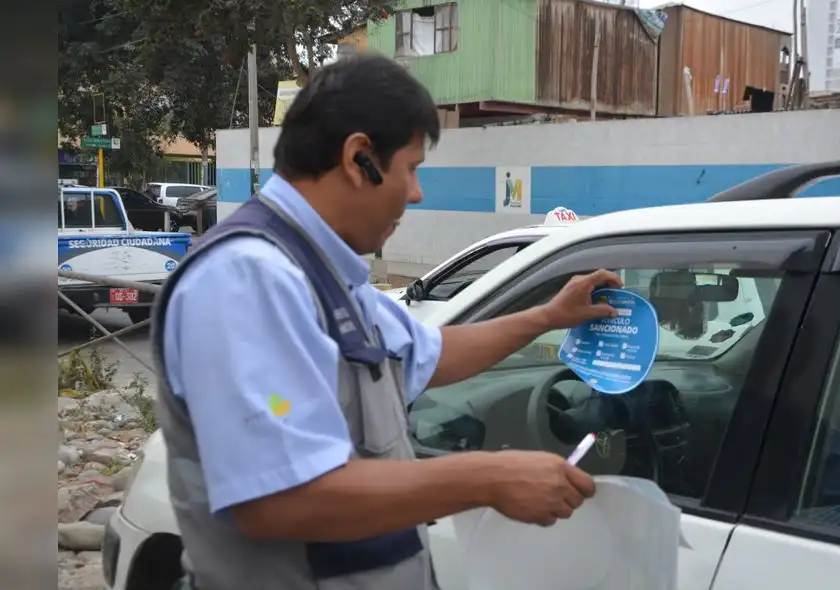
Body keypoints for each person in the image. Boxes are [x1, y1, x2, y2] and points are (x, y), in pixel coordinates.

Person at [151, 52, 623, 590]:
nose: (417, 192)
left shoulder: (321, 272)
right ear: (359, 159)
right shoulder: (248, 279)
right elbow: (277, 500)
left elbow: (430, 353)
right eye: (412, 168)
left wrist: (548, 316)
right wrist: (487, 478)